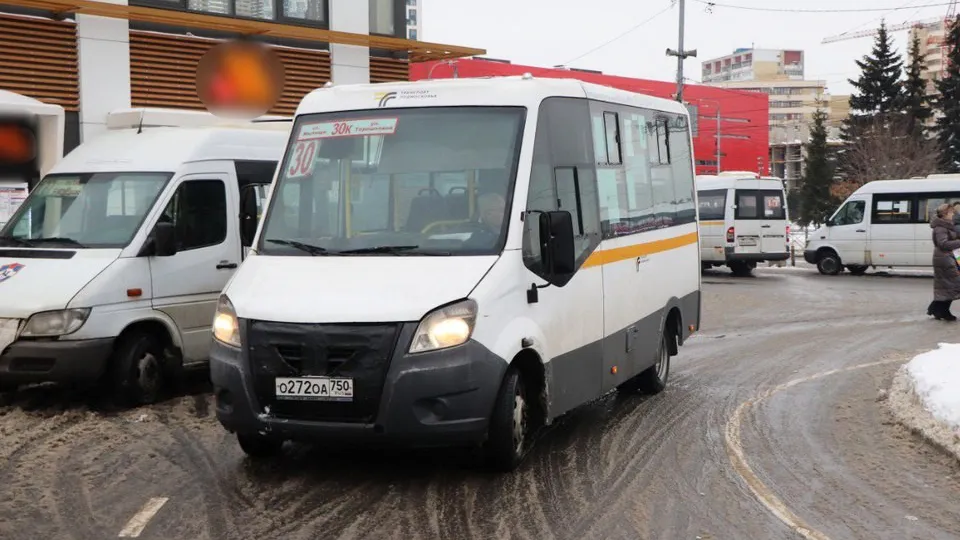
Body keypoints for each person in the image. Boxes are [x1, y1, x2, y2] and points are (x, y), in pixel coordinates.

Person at [927, 203, 960, 321]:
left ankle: (937, 310)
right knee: (952, 286)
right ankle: (942, 311)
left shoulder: (946, 226)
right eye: (951, 212)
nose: (953, 214)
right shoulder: (941, 227)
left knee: (948, 287)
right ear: (945, 214)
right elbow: (943, 244)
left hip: (946, 257)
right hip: (944, 259)